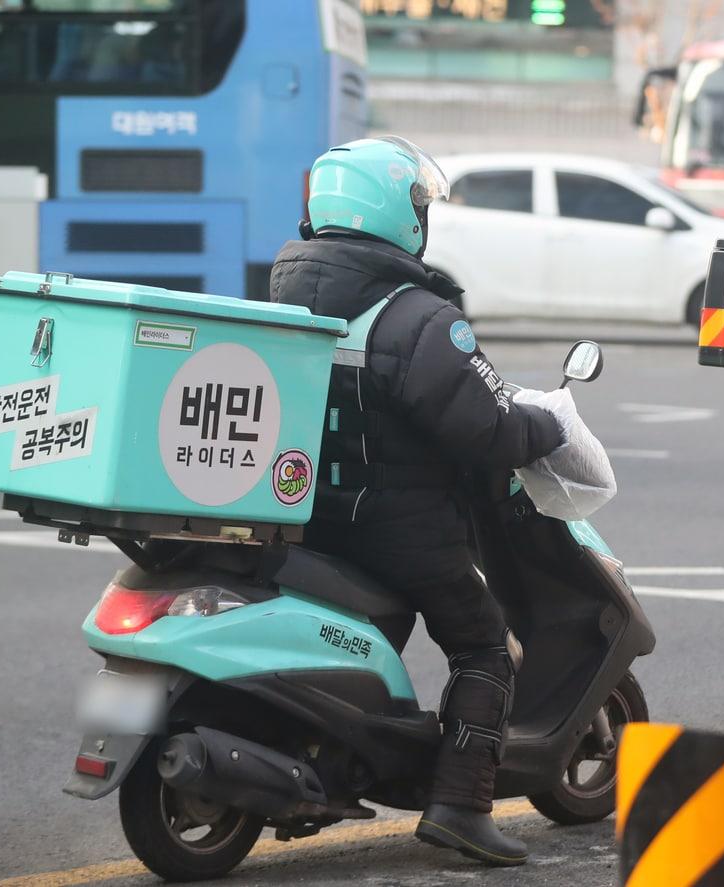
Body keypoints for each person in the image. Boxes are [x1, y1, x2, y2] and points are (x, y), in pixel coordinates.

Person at [270, 137, 563, 866]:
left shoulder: (284, 286)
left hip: (308, 516)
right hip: (398, 526)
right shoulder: (419, 317)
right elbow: (488, 426)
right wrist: (552, 421)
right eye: (416, 204)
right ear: (393, 213)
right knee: (485, 644)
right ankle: (462, 805)